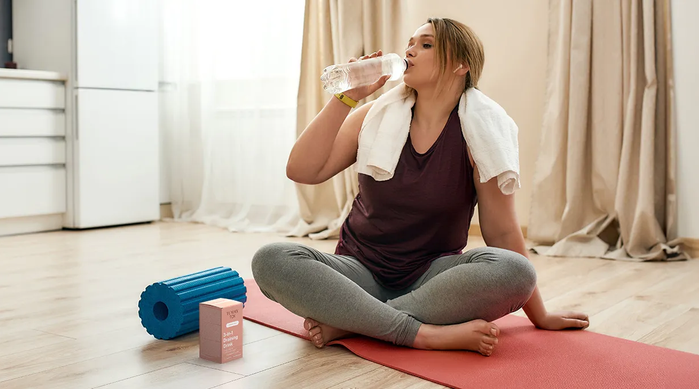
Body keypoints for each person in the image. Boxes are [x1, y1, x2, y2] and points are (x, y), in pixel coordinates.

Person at [252, 17, 588, 356]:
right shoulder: (371, 116)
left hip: (432, 280)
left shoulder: (480, 133)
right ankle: (422, 333)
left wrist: (540, 315)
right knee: (271, 259)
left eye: (426, 44)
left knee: (516, 271)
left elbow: (501, 233)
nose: (410, 50)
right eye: (411, 42)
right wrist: (345, 98)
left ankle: (355, 322)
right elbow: (302, 170)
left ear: (461, 64)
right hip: (358, 273)